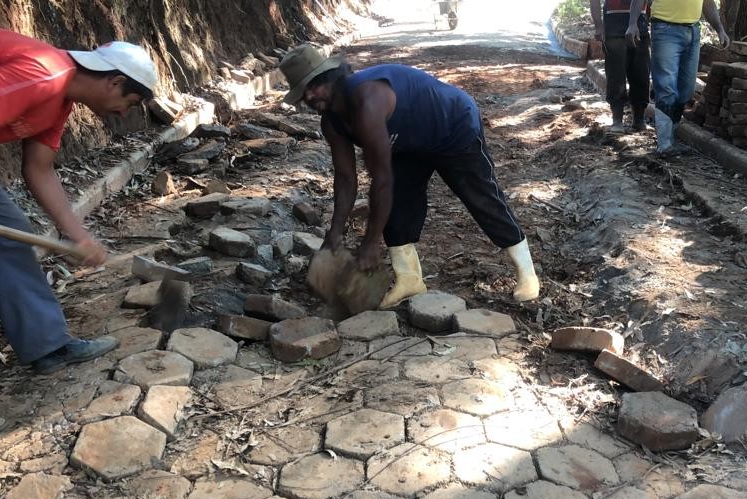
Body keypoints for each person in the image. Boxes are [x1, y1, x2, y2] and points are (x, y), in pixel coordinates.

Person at [0, 26, 159, 436]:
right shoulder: (43, 73)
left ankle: (47, 345)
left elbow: (39, 170)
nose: (124, 111)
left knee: (4, 237)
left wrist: (78, 235)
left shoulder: (59, 101)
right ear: (113, 80)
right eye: (130, 100)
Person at [278, 44, 540, 308]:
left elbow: (381, 180)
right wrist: (334, 233)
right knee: (398, 206)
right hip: (407, 143)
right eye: (303, 93)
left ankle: (526, 273)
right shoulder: (331, 122)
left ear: (332, 78)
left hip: (453, 126)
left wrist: (370, 243)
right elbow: (346, 178)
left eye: (315, 85)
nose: (310, 96)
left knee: (481, 197)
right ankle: (409, 279)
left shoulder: (367, 101)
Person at [628, 0, 729, 156]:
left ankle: (671, 138)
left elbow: (707, 3)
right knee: (666, 87)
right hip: (665, 28)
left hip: (693, 31)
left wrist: (720, 29)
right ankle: (664, 144)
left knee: (686, 91)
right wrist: (632, 23)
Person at [590, 0, 651, 133]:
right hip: (614, 29)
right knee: (616, 76)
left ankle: (639, 119)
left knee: (641, 75)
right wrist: (599, 26)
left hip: (640, 28)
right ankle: (617, 120)